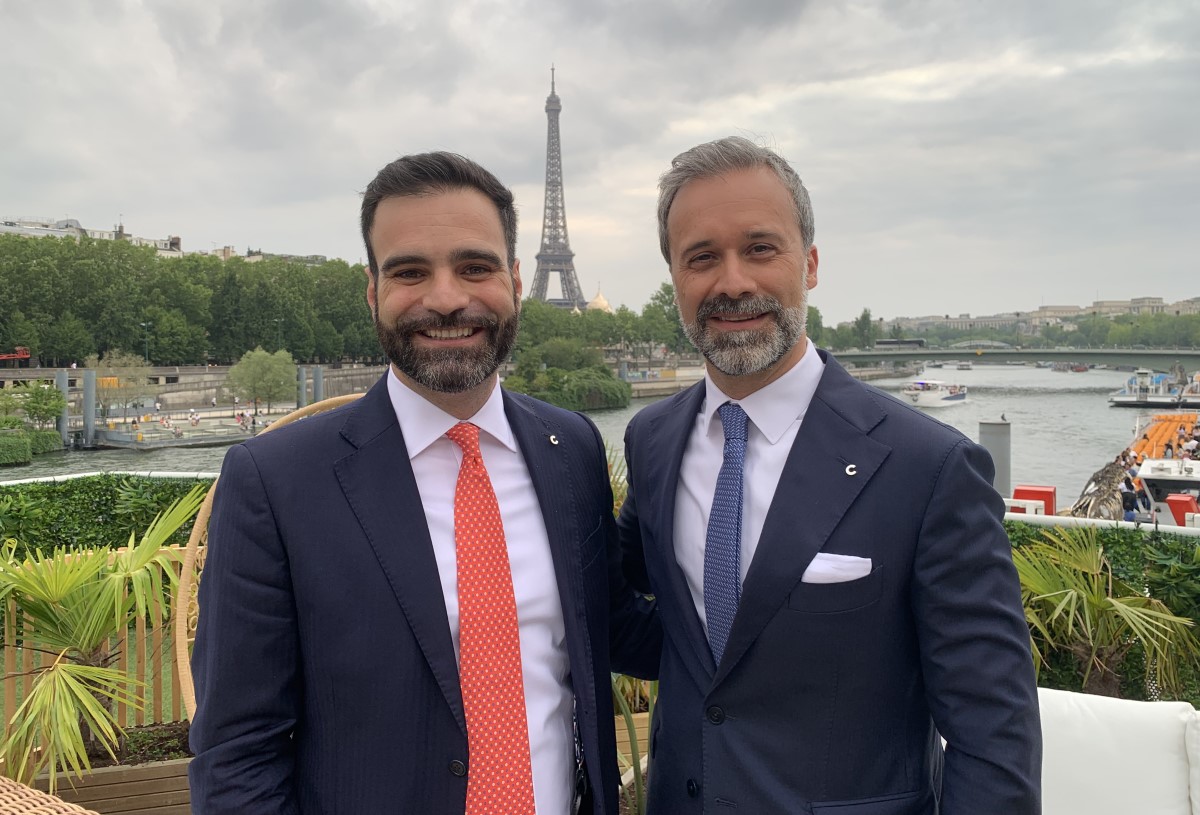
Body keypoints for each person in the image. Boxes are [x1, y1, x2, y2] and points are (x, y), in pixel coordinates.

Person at [188, 151, 657, 814]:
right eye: (411, 271)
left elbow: (611, 623)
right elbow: (238, 755)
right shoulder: (275, 482)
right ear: (373, 291)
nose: (446, 297)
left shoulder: (570, 447)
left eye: (475, 267)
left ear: (517, 280)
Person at [614, 136, 1041, 813]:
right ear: (676, 280)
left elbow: (994, 737)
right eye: (702, 257)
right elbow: (660, 625)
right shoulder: (653, 439)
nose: (732, 282)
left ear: (809, 264)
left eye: (760, 248)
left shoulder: (927, 468)